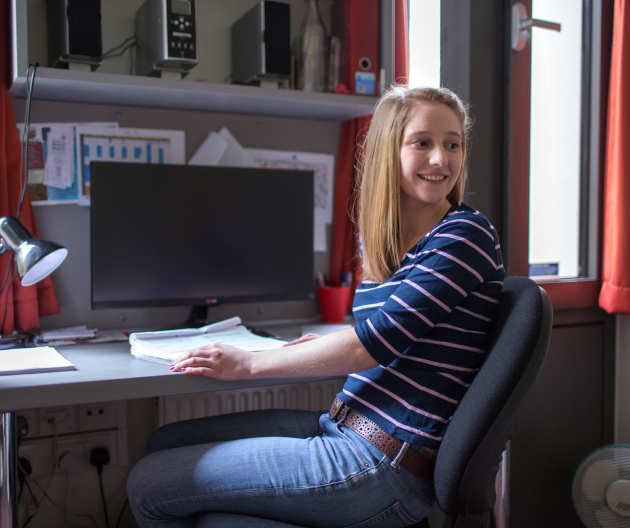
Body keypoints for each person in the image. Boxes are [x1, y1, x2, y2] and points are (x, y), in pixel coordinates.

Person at [127, 86, 505, 528]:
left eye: (452, 143)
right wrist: (320, 344)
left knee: (148, 484)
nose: (441, 159)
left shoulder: (463, 236)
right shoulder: (386, 241)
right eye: (422, 142)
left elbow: (373, 344)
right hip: (344, 425)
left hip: (382, 464)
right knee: (163, 442)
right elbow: (394, 331)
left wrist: (249, 363)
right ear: (389, 151)